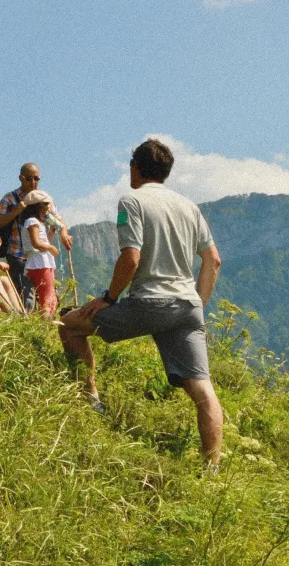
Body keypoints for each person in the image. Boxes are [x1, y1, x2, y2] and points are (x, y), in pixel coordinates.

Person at [57, 139, 225, 466]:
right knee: (203, 391)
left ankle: (89, 400)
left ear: (135, 166)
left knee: (68, 323)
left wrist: (108, 298)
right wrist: (197, 306)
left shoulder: (132, 202)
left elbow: (130, 259)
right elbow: (213, 260)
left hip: (150, 303)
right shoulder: (189, 207)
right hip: (187, 307)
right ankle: (212, 472)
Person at [0, 162, 73, 308]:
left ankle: (42, 326)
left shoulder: (44, 199)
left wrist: (64, 233)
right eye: (29, 178)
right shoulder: (10, 198)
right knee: (26, 296)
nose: (33, 182)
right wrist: (17, 210)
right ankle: (26, 326)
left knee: (47, 295)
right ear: (20, 178)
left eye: (36, 179)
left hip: (40, 258)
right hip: (17, 254)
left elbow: (58, 220)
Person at [15, 190, 62, 318]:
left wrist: (51, 232)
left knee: (48, 297)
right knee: (48, 299)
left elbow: (41, 241)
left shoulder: (34, 222)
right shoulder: (32, 221)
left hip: (38, 261)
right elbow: (36, 243)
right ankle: (45, 329)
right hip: (41, 262)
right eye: (46, 204)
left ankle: (44, 326)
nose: (48, 207)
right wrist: (51, 248)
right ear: (38, 206)